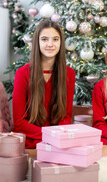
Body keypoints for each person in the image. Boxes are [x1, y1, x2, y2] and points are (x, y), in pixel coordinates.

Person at [12, 20, 75, 152]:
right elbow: (19, 122)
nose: (50, 44)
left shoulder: (69, 73)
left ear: (61, 43)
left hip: (57, 141)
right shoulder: (22, 73)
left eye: (55, 39)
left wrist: (57, 138)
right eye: (45, 39)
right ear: (37, 42)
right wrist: (49, 137)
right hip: (31, 139)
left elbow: (66, 116)